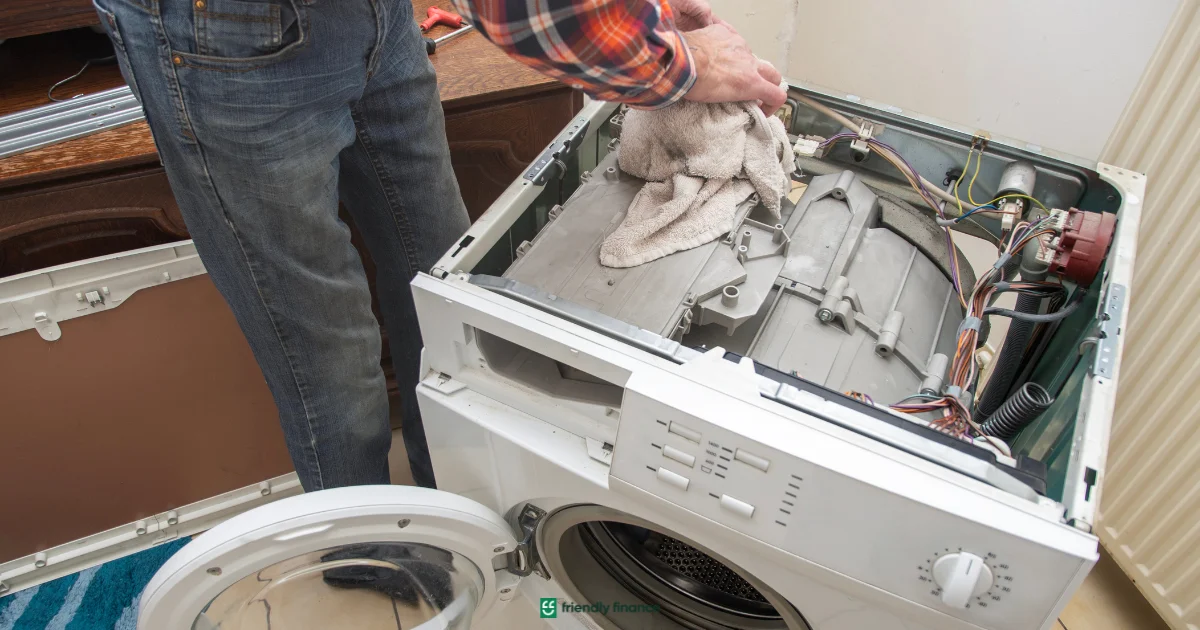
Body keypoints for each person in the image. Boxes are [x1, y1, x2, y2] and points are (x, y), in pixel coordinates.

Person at [91, 0, 785, 492]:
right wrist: (677, 65)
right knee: (324, 348)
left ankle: (453, 500)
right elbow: (532, 8)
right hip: (219, 32)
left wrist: (647, 18)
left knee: (443, 286)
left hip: (377, 18)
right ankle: (369, 559)